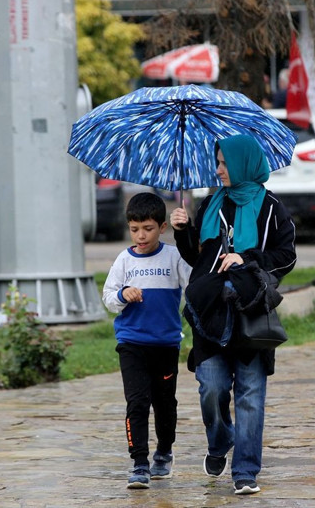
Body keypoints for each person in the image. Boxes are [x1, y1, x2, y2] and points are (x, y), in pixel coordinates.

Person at [170, 135, 297, 496]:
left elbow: (286, 257)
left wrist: (248, 259)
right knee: (211, 388)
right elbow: (200, 259)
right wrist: (183, 233)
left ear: (243, 163)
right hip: (210, 310)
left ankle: (245, 471)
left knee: (250, 394)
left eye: (225, 163)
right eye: (218, 162)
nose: (219, 169)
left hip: (249, 311)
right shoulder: (211, 203)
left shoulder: (271, 208)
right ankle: (220, 440)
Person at [102, 192, 191, 490]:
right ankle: (139, 462)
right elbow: (108, 298)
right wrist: (122, 295)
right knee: (137, 403)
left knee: (164, 404)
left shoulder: (174, 257)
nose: (141, 235)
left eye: (148, 228)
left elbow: (193, 287)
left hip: (165, 345)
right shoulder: (124, 260)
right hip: (131, 343)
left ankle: (164, 451)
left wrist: (188, 236)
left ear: (162, 227)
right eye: (135, 228)